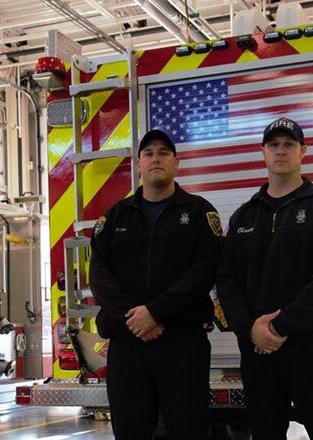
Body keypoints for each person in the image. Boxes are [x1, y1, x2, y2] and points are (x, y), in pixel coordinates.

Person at [216, 117, 313, 439]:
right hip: (258, 351)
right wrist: (249, 328)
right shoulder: (243, 216)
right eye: (274, 145)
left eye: (289, 145)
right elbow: (226, 281)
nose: (281, 151)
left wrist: (278, 326)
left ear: (302, 151)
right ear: (262, 152)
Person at [89, 129, 222, 439]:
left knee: (188, 430)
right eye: (148, 154)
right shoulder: (114, 217)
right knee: (130, 431)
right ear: (138, 164)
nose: (155, 158)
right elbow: (99, 276)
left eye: (163, 153)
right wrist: (136, 318)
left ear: (177, 162)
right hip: (128, 345)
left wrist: (156, 313)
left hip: (182, 344)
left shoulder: (200, 213)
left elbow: (204, 272)